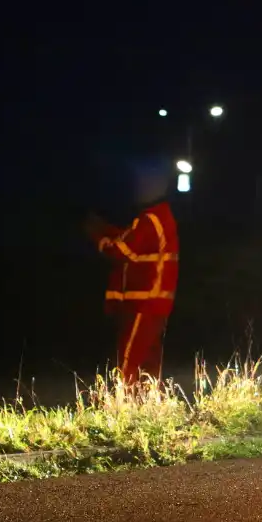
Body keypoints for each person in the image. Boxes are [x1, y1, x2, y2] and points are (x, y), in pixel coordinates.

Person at [86, 157, 180, 386]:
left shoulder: (150, 220)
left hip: (143, 302)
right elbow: (129, 238)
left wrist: (98, 236)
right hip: (155, 303)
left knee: (129, 359)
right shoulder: (158, 218)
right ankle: (146, 407)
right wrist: (107, 230)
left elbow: (122, 250)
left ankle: (125, 407)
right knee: (148, 360)